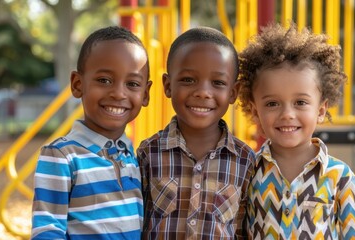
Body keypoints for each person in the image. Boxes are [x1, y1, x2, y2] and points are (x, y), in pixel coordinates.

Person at [237, 22, 355, 239]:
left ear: (320, 110)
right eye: (272, 103)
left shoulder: (341, 177)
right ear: (255, 111)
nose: (287, 114)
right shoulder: (247, 173)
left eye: (300, 102)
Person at [31, 26, 152, 239]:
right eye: (104, 80)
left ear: (145, 94)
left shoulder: (135, 157)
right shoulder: (62, 155)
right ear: (78, 84)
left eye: (132, 84)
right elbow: (47, 229)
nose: (118, 93)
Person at [136, 27, 255, 239]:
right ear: (168, 85)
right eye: (189, 80)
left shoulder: (246, 161)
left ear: (233, 92)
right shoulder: (148, 153)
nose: (202, 92)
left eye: (218, 83)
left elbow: (242, 231)